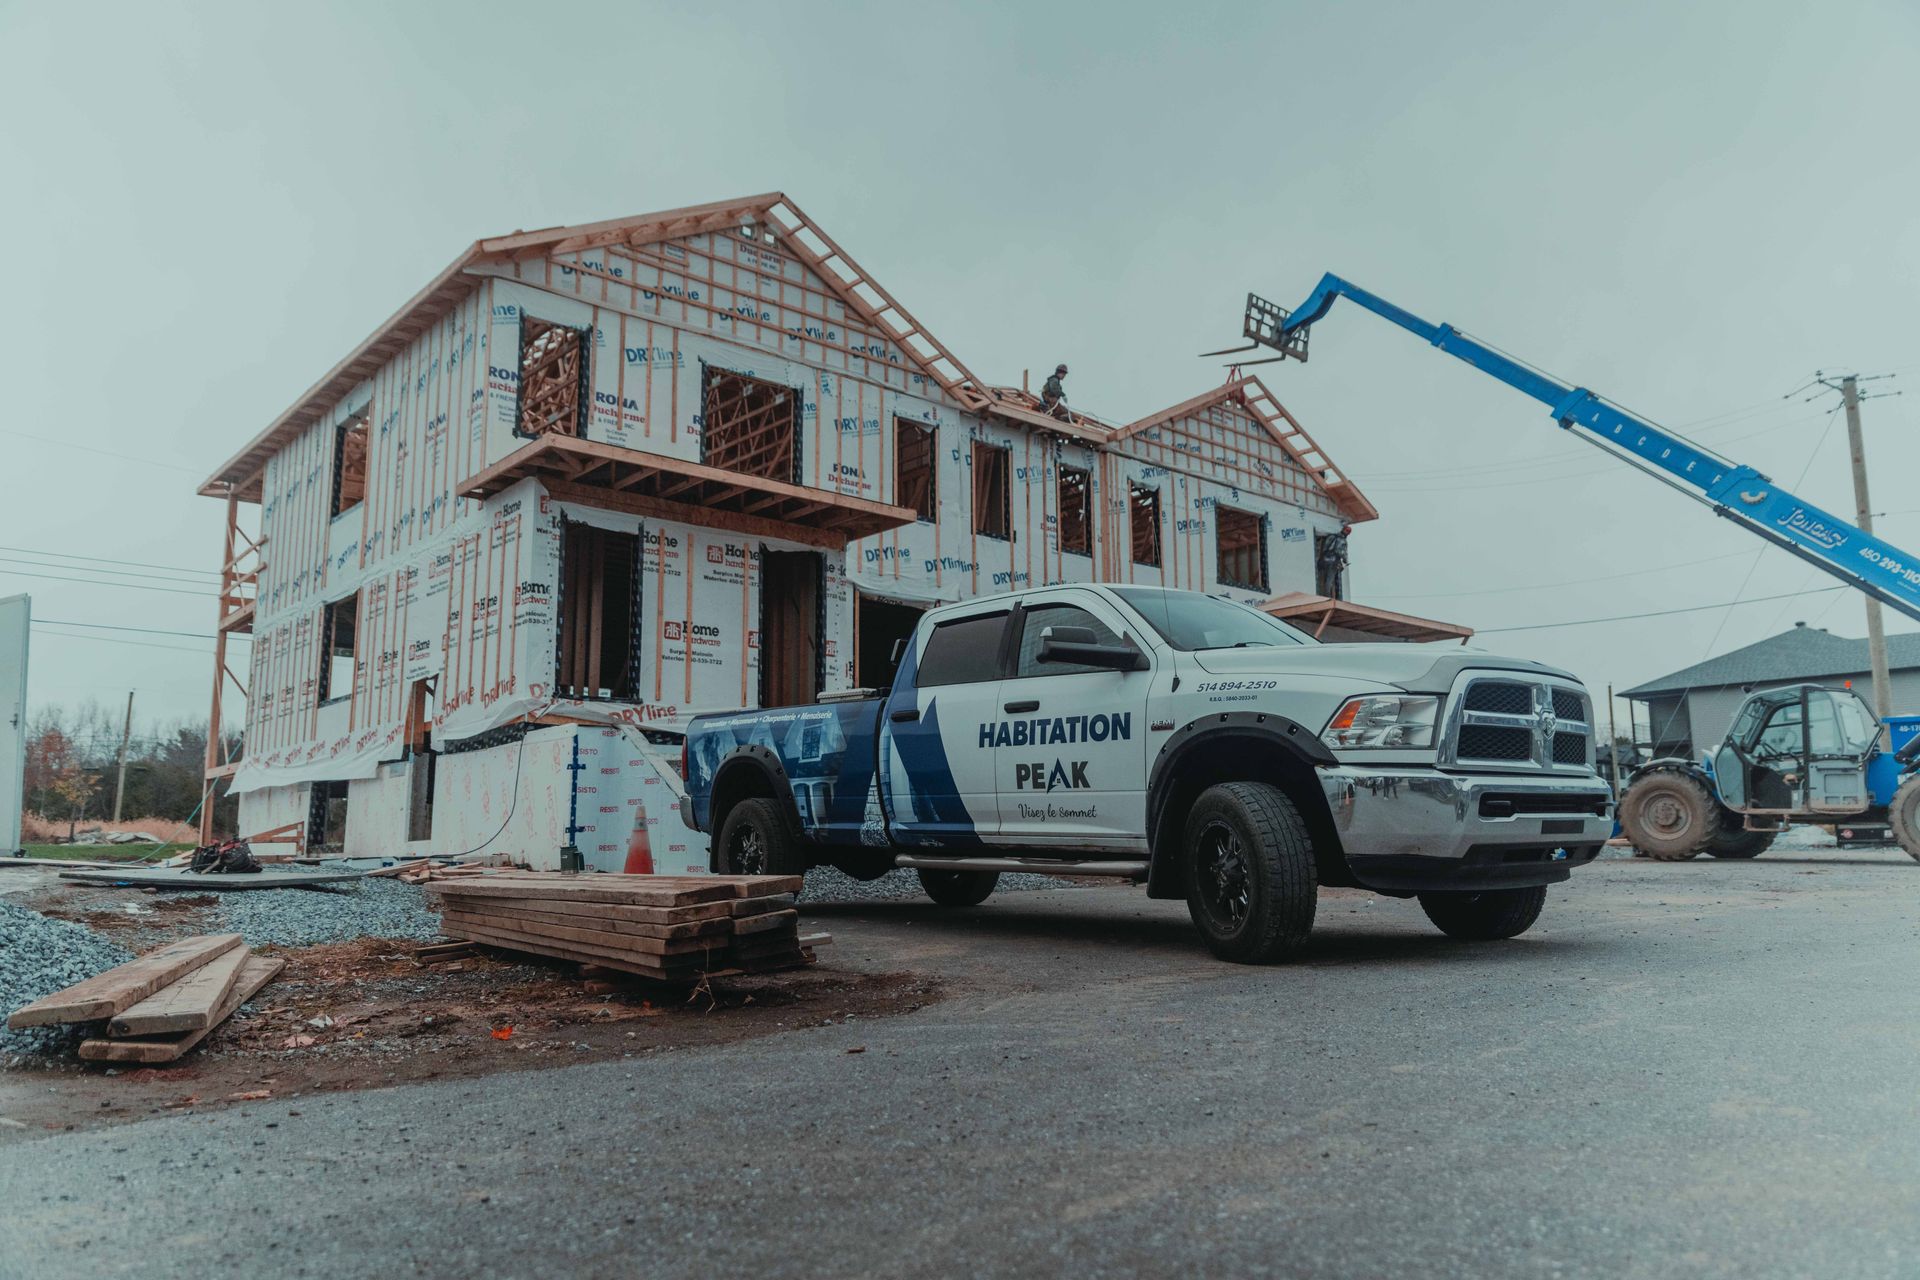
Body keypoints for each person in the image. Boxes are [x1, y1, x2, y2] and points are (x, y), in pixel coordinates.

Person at [1316, 524, 1351, 599]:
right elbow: (1341, 552)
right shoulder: (1342, 540)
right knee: (1329, 580)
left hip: (1324, 560)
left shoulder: (1331, 536)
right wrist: (1345, 561)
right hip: (1333, 562)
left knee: (1322, 577)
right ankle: (1327, 597)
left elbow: (1325, 548)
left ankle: (1321, 595)